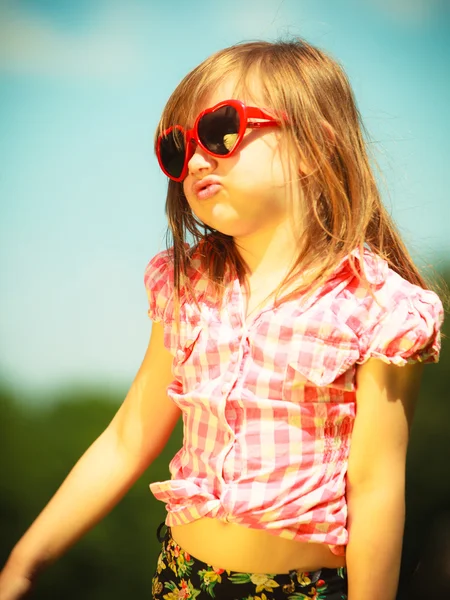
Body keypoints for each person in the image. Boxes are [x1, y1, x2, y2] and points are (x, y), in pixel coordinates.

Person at [0, 38, 445, 600]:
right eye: (177, 148)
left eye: (221, 131)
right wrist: (24, 561)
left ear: (312, 146)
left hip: (303, 589)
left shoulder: (378, 308)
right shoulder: (187, 288)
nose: (197, 159)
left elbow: (377, 486)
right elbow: (127, 438)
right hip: (182, 579)